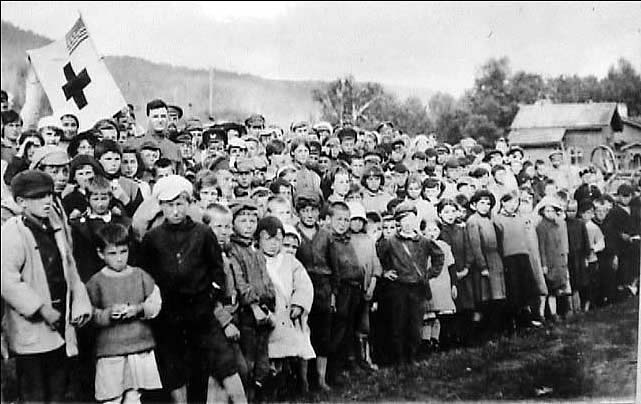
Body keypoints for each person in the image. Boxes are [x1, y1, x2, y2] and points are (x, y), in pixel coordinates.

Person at [138, 175, 244, 403]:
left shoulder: (202, 233)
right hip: (169, 315)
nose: (175, 211)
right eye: (169, 205)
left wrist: (209, 297)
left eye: (180, 204)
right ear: (161, 207)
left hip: (201, 312)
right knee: (175, 369)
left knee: (220, 363)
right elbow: (145, 276)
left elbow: (217, 271)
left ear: (188, 204)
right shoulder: (152, 238)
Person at [1, 170, 92, 403]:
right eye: (38, 197)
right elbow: (7, 280)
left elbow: (69, 265)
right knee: (35, 393)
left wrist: (80, 302)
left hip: (60, 323)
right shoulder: (13, 231)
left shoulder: (54, 224)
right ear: (21, 202)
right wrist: (41, 309)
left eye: (49, 195)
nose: (47, 201)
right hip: (32, 328)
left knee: (58, 390)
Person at [85, 223, 163, 403]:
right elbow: (89, 313)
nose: (119, 258)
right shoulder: (96, 282)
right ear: (100, 253)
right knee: (111, 397)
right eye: (112, 253)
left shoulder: (140, 275)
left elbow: (155, 302)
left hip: (139, 346)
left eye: (123, 252)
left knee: (134, 395)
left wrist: (139, 309)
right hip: (110, 350)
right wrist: (108, 314)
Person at [376, 202, 444, 365]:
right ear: (399, 222)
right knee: (398, 323)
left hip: (418, 287)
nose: (408, 223)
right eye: (404, 220)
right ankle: (399, 358)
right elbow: (378, 258)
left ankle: (412, 356)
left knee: (415, 323)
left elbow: (439, 256)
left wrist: (429, 274)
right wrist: (385, 272)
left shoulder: (424, 241)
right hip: (398, 288)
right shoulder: (390, 242)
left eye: (411, 219)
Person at [258, 216, 315, 395]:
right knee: (269, 353)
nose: (274, 244)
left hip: (288, 315)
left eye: (278, 239)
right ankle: (270, 387)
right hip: (268, 316)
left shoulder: (290, 261)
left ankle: (290, 384)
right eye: (268, 239)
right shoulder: (256, 259)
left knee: (289, 351)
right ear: (258, 240)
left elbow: (304, 284)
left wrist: (299, 303)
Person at [227, 199, 276, 401]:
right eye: (243, 220)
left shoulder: (255, 249)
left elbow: (266, 279)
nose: (248, 225)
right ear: (233, 223)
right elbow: (240, 282)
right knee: (247, 363)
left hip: (263, 311)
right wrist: (254, 305)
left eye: (252, 220)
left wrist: (270, 306)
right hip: (248, 314)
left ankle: (259, 394)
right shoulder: (234, 250)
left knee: (262, 361)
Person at [294, 192, 334, 391]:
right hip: (301, 288)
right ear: (299, 212)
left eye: (314, 211)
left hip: (323, 289)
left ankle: (321, 378)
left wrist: (332, 293)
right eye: (305, 211)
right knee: (303, 333)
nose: (309, 215)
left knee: (323, 335)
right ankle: (303, 380)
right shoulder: (293, 234)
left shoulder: (326, 235)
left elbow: (333, 265)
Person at [466, 190, 506, 339]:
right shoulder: (473, 221)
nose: (485, 206)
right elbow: (475, 246)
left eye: (488, 203)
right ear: (474, 205)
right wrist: (482, 267)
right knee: (484, 300)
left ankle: (494, 332)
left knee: (498, 298)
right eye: (482, 203)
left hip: (495, 260)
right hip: (483, 262)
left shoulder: (489, 220)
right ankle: (480, 335)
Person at [536, 196, 571, 322]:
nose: (550, 214)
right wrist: (544, 264)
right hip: (549, 262)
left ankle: (559, 312)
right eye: (547, 211)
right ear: (543, 212)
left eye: (552, 211)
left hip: (557, 261)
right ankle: (547, 314)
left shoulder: (557, 225)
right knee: (548, 290)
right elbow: (541, 246)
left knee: (557, 289)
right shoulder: (541, 227)